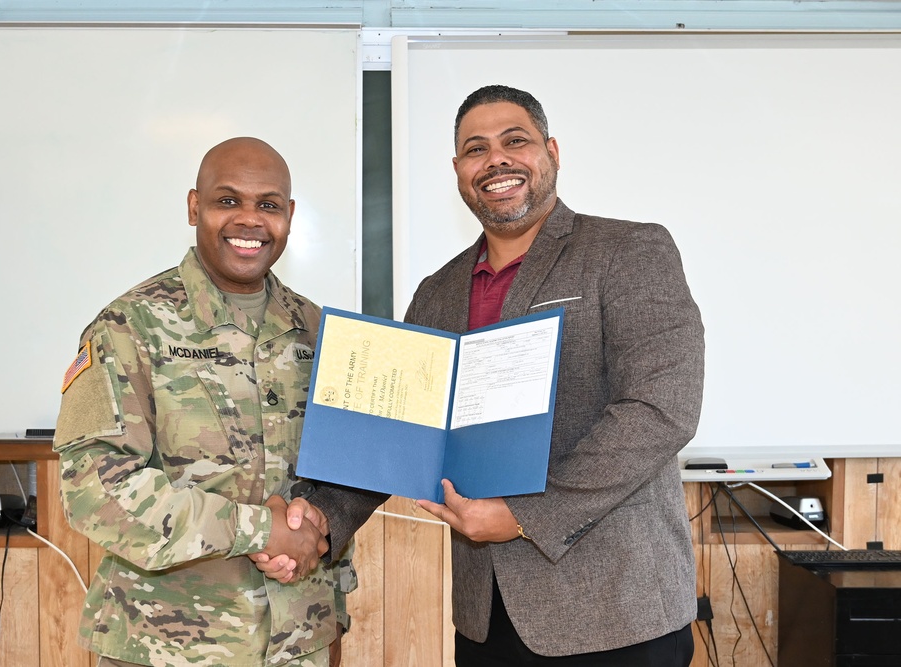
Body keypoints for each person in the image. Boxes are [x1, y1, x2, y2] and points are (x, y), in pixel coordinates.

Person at [264, 85, 705, 665]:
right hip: (485, 616)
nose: (496, 160)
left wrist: (524, 516)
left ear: (550, 151)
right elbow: (399, 437)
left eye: (514, 141)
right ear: (458, 171)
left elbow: (659, 407)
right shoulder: (437, 294)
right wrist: (320, 517)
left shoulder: (627, 251)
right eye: (476, 149)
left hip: (616, 614)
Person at [53, 137, 354, 667]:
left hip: (299, 641)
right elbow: (94, 490)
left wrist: (319, 522)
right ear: (195, 207)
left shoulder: (317, 329)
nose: (249, 220)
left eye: (268, 205)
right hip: (166, 645)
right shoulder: (128, 327)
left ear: (289, 215)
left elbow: (345, 470)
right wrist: (261, 529)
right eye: (227, 200)